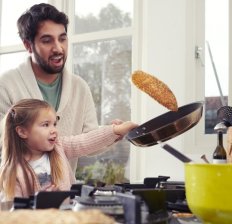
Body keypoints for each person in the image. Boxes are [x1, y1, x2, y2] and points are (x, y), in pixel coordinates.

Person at [0, 3, 106, 172]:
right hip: (16, 193)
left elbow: (90, 143)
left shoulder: (80, 87)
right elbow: (3, 143)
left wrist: (114, 133)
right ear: (28, 45)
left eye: (62, 39)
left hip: (62, 194)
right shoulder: (6, 84)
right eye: (47, 41)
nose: (58, 48)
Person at [0, 99, 138, 202]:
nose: (54, 130)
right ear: (22, 132)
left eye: (54, 124)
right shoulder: (11, 173)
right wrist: (40, 204)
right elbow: (13, 215)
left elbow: (85, 141)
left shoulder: (59, 148)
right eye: (45, 125)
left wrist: (116, 130)